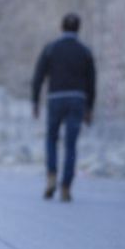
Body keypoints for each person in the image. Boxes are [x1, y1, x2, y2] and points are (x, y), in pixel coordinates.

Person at [32, 12, 97, 202]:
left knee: (51, 139)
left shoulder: (51, 49)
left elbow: (38, 76)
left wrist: (35, 101)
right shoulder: (84, 51)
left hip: (55, 99)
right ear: (79, 28)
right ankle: (66, 186)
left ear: (61, 27)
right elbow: (92, 82)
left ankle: (51, 176)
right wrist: (89, 107)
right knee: (71, 144)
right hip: (77, 100)